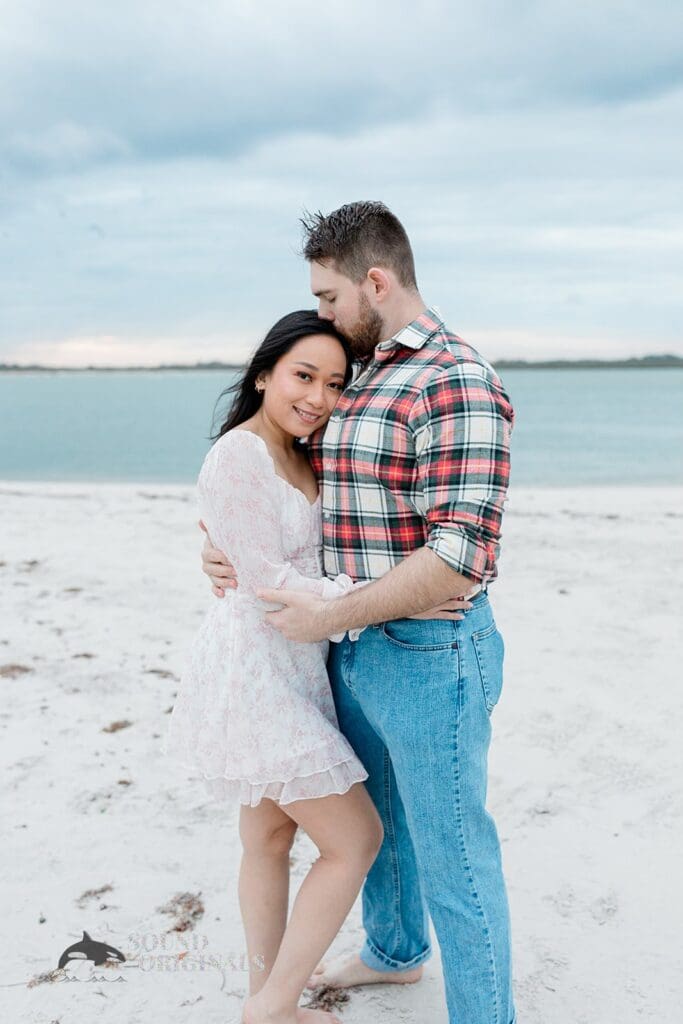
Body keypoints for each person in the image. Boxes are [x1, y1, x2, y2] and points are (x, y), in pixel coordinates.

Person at [201, 202, 517, 1024]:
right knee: (382, 827)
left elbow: (459, 551)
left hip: (427, 647)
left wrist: (332, 612)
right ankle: (394, 952)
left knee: (452, 851)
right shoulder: (361, 366)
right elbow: (287, 487)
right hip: (342, 647)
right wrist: (223, 553)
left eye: (330, 296)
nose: (323, 314)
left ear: (375, 282)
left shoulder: (456, 380)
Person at [164, 309, 465, 1024]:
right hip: (258, 666)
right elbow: (269, 580)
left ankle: (264, 1000)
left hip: (301, 662)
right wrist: (399, 601)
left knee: (268, 837)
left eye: (335, 383)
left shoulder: (309, 448)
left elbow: (281, 550)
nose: (319, 397)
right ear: (263, 374)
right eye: (303, 376)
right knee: (355, 838)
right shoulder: (237, 455)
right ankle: (271, 1006)